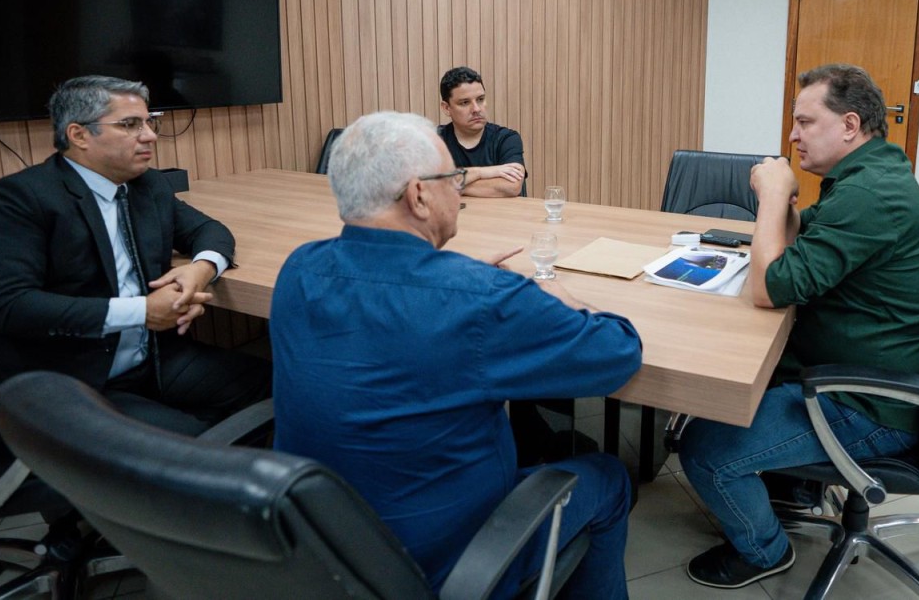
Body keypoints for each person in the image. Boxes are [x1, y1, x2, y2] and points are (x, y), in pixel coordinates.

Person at [272, 111, 643, 599]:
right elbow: (617, 353)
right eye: (454, 179)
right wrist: (562, 299)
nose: (460, 191)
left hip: (317, 555)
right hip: (443, 562)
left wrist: (453, 278)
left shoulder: (298, 269)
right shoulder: (481, 299)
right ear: (418, 196)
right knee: (610, 477)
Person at [679, 64, 919, 589]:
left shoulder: (870, 195)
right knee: (734, 394)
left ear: (849, 125)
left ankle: (766, 552)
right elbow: (800, 248)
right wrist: (784, 206)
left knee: (705, 451)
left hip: (870, 402)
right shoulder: (868, 176)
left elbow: (770, 287)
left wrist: (769, 199)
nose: (792, 135)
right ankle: (789, 484)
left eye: (805, 122)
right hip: (861, 367)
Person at [0, 75, 271, 437]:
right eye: (130, 125)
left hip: (154, 358)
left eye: (149, 122)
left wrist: (200, 270)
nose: (150, 136)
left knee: (281, 388)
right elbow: (6, 305)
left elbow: (209, 231)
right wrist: (143, 311)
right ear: (79, 135)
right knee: (192, 445)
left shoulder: (147, 185)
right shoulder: (17, 200)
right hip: (75, 377)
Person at [439, 66, 527, 197]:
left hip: (503, 211)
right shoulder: (434, 141)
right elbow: (424, 183)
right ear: (446, 108)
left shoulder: (506, 138)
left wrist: (450, 185)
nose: (476, 109)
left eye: (480, 99)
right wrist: (482, 173)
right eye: (465, 102)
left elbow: (512, 186)